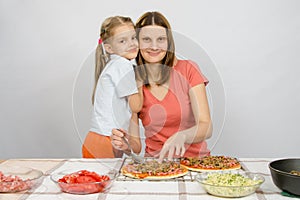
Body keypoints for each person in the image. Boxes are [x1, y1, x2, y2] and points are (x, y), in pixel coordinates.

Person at [111, 11, 213, 161]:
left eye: (160, 39)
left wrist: (182, 136)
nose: (154, 46)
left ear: (168, 43)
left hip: (196, 163)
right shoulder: (132, 81)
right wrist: (124, 146)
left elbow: (206, 126)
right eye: (146, 39)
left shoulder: (188, 69)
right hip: (155, 166)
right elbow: (135, 147)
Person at [82, 15, 142, 158]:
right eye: (122, 41)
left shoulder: (115, 64)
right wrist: (140, 80)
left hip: (99, 139)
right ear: (109, 48)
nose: (132, 44)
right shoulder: (122, 65)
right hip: (105, 140)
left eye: (134, 37)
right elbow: (136, 106)